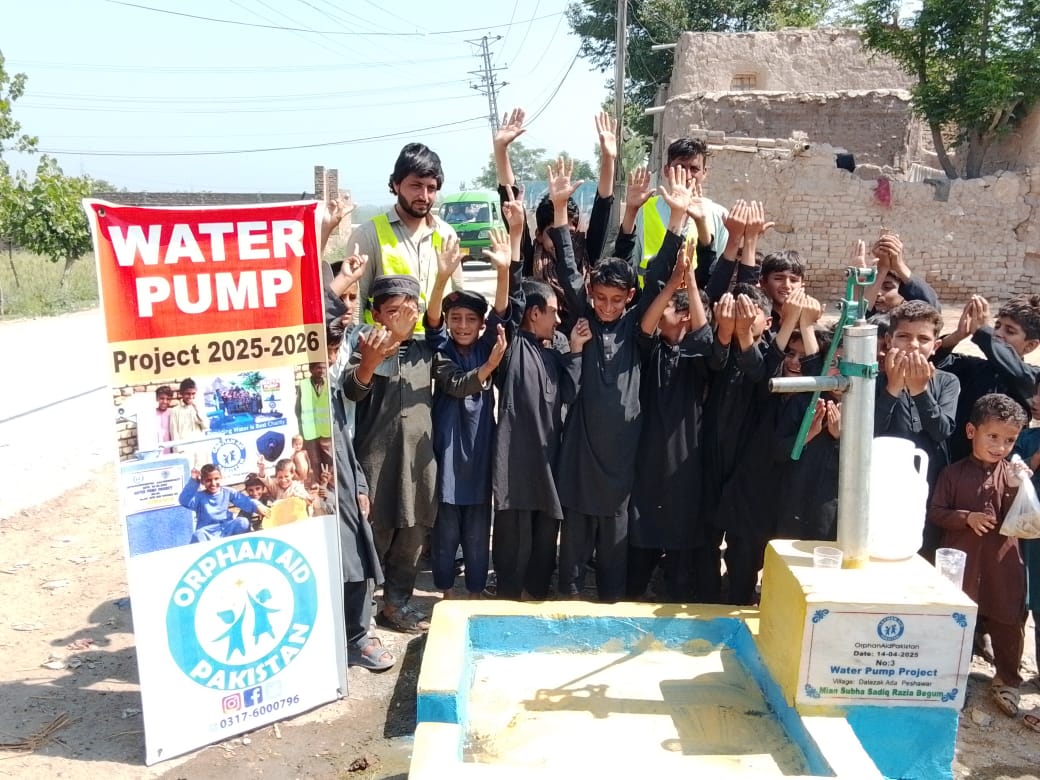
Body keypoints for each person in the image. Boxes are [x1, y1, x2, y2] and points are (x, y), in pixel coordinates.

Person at [550, 157, 656, 603]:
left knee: (615, 544)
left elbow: (653, 284)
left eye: (617, 300)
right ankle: (569, 604)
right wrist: (559, 210)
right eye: (601, 298)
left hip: (622, 460)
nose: (608, 307)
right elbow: (571, 270)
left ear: (629, 299)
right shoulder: (584, 319)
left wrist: (634, 213)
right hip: (581, 455)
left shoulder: (635, 328)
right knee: (574, 542)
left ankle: (611, 604)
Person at [491, 193, 586, 601]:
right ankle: (510, 591)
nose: (558, 316)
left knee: (547, 529)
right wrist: (515, 236)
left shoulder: (560, 345)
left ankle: (536, 590)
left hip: (550, 457)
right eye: (551, 310)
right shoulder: (513, 345)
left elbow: (568, 390)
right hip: (515, 458)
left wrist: (577, 353)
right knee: (514, 530)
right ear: (533, 313)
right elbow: (509, 301)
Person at [343, 272, 439, 633]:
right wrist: (373, 358)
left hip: (416, 464)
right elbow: (353, 390)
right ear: (376, 315)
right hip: (375, 464)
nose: (404, 318)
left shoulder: (424, 352)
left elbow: (456, 382)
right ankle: (360, 615)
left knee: (412, 536)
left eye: (410, 310)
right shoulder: (362, 348)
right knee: (373, 537)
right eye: (394, 311)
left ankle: (396, 603)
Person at [927, 393, 1030, 719]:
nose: (1000, 446)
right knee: (956, 619)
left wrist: (1017, 485)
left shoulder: (1012, 474)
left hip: (1003, 562)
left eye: (1009, 440)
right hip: (962, 560)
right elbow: (936, 512)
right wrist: (966, 518)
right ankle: (950, 680)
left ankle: (1007, 681)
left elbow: (1024, 518)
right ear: (971, 432)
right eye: (993, 436)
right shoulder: (952, 474)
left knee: (1007, 620)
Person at [425, 227, 510, 600]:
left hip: (478, 452)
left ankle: (475, 592)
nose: (462, 326)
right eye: (455, 318)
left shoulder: (487, 344)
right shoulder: (442, 349)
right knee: (445, 531)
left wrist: (504, 271)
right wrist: (442, 276)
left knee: (478, 529)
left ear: (480, 324)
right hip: (447, 452)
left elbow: (502, 312)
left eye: (470, 320)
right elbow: (455, 385)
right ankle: (445, 592)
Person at [627, 237, 713, 602]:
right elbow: (646, 326)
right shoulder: (651, 351)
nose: (661, 309)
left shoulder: (698, 356)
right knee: (636, 563)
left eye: (670, 306)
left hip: (684, 470)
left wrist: (690, 282)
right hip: (646, 467)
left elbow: (705, 336)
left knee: (680, 568)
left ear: (686, 316)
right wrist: (675, 278)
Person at [323, 281, 395, 672]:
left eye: (334, 351)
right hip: (306, 487)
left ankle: (357, 637)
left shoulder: (330, 383)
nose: (330, 359)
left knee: (356, 556)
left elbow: (341, 432)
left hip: (343, 477)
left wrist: (360, 483)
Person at [492, 108, 617, 327]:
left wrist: (608, 157)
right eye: (554, 233)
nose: (562, 240)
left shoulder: (589, 254)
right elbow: (512, 210)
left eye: (569, 232)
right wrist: (501, 150)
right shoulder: (532, 260)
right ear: (539, 235)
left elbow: (603, 206)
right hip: (542, 352)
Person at [703, 283, 779, 604]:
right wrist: (726, 331)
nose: (741, 321)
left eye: (751, 315)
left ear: (768, 322)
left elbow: (760, 374)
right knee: (704, 537)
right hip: (710, 458)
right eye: (735, 314)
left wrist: (746, 335)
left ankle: (740, 595)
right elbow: (713, 364)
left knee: (744, 544)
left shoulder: (777, 353)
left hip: (750, 466)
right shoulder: (716, 347)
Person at [874, 300, 960, 559]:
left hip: (930, 484)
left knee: (923, 550)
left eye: (923, 338)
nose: (913, 345)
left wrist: (920, 391)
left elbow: (942, 431)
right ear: (889, 341)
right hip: (882, 484)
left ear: (935, 346)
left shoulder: (947, 381)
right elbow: (869, 433)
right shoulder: (875, 380)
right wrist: (892, 388)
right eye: (903, 336)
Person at [351, 143, 462, 330]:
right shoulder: (368, 235)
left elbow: (459, 295)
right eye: (416, 186)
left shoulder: (446, 233)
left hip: (438, 347)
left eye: (431, 188)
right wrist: (357, 352)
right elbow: (356, 304)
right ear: (396, 184)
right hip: (387, 350)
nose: (424, 196)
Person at [934, 294, 1040, 462]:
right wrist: (958, 335)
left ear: (1030, 345)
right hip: (956, 469)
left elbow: (1016, 370)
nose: (998, 333)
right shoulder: (975, 367)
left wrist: (983, 331)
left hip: (1001, 474)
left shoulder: (1032, 378)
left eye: (1009, 331)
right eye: (996, 326)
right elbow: (936, 361)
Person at [634, 137, 729, 283]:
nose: (687, 175)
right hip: (651, 301)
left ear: (704, 173)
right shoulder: (645, 209)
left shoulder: (718, 215)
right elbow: (632, 264)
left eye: (694, 169)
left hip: (696, 303)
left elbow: (720, 270)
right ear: (666, 170)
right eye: (680, 167)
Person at [179, 464, 268, 543]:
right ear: (202, 482)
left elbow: (244, 500)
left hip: (226, 529)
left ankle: (238, 546)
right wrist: (193, 481)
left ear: (221, 477)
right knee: (198, 535)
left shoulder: (227, 491)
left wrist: (257, 505)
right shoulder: (199, 496)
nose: (213, 483)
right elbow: (184, 500)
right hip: (208, 532)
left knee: (243, 522)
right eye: (208, 480)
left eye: (216, 479)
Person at [863, 232, 940, 316]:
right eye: (875, 286)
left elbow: (931, 311)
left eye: (887, 287)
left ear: (904, 294)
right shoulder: (870, 323)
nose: (878, 293)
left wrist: (899, 266)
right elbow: (857, 318)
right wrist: (881, 270)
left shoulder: (909, 323)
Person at [295, 361, 332, 476]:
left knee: (330, 460)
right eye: (318, 368)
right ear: (311, 370)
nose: (321, 371)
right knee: (314, 461)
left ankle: (329, 484)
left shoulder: (329, 383)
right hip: (310, 432)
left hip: (327, 432)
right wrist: (302, 431)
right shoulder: (304, 385)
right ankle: (317, 485)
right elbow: (298, 410)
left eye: (323, 368)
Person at [169, 378, 209, 465]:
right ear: (181, 393)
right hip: (185, 450)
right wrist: (179, 452)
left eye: (193, 394)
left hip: (200, 448)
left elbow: (206, 426)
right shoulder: (175, 411)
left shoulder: (198, 407)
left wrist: (197, 410)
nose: (191, 397)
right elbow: (174, 433)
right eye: (188, 394)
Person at [155, 385, 174, 454]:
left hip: (171, 450)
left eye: (168, 399)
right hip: (157, 451)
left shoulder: (172, 413)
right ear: (157, 399)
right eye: (162, 398)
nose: (165, 401)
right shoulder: (152, 414)